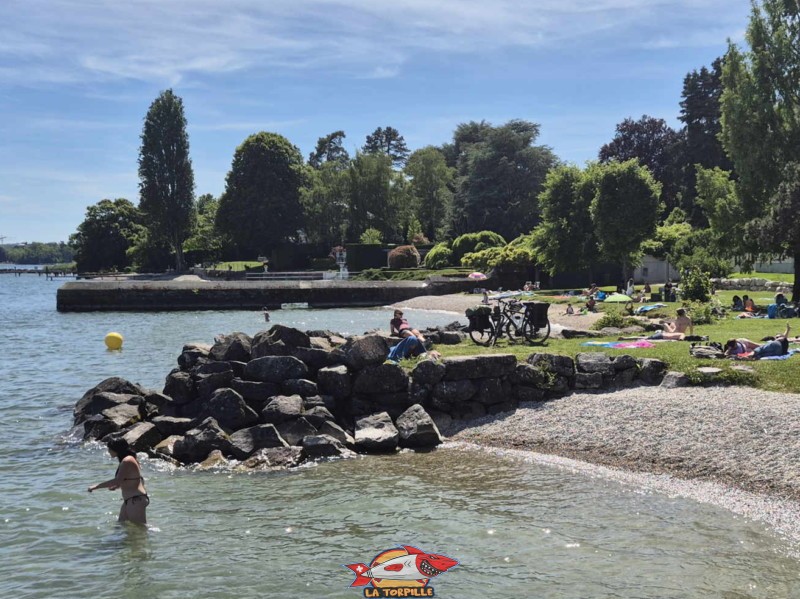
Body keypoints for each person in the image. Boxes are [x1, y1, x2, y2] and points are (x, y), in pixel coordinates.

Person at [88, 438, 149, 525]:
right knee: (121, 525)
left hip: (135, 500)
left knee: (140, 529)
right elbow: (132, 479)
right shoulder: (127, 460)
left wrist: (96, 486)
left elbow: (117, 480)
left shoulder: (127, 460)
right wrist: (118, 486)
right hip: (130, 500)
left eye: (109, 449)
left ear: (116, 449)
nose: (108, 451)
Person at [725, 324, 791, 359]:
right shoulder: (781, 342)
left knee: (760, 348)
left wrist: (787, 330)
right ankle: (751, 356)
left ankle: (750, 356)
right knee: (761, 352)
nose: (776, 337)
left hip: (744, 343)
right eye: (777, 336)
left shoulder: (778, 340)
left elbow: (784, 337)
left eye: (777, 336)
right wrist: (787, 330)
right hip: (780, 352)